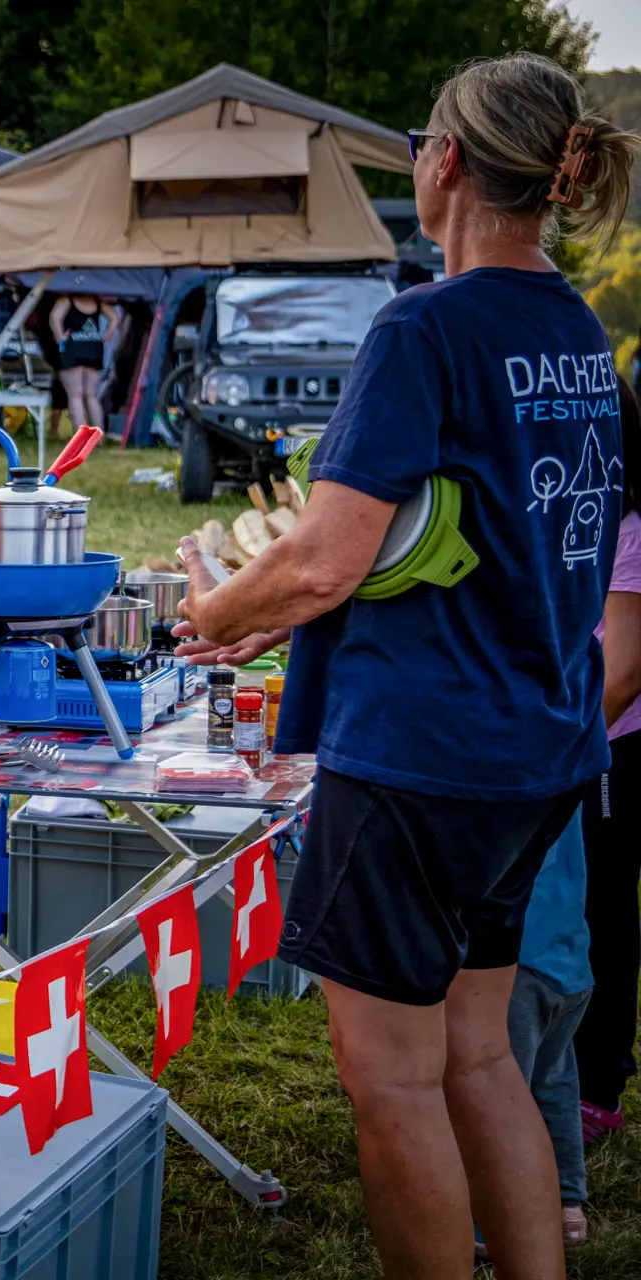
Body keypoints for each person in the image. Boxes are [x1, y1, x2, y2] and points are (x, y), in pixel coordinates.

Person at [170, 53, 636, 1278]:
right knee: (480, 1056)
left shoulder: (424, 325)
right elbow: (463, 537)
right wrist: (295, 610)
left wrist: (221, 606)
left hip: (422, 757)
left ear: (444, 164)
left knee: (393, 1082)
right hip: (537, 746)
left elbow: (323, 557)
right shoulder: (576, 328)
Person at [574, 376, 641, 1145]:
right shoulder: (585, 510)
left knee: (604, 913)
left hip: (610, 746)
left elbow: (621, 675)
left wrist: (563, 756)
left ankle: (599, 1085)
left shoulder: (627, 526)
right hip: (577, 738)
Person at [497, 812, 593, 1253]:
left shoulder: (510, 779)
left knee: (499, 1096)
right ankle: (568, 1204)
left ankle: (497, 1216)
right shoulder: (561, 766)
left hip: (517, 961)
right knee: (554, 1082)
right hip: (568, 958)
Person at [47, 293, 119, 436]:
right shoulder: (97, 302)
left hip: (72, 348)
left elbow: (54, 317)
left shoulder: (66, 300)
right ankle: (99, 437)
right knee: (91, 395)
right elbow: (115, 317)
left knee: (75, 395)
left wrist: (59, 337)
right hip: (93, 348)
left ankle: (79, 437)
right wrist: (107, 335)